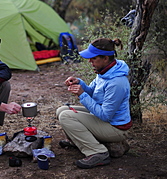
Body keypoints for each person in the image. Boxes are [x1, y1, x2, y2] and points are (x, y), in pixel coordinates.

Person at [56, 37, 132, 169]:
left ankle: (97, 152)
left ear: (105, 58)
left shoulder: (116, 82)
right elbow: (93, 92)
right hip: (104, 120)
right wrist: (80, 83)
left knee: (66, 116)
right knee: (61, 110)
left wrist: (82, 94)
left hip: (115, 128)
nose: (89, 61)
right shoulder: (105, 71)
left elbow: (105, 115)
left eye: (93, 58)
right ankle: (79, 141)